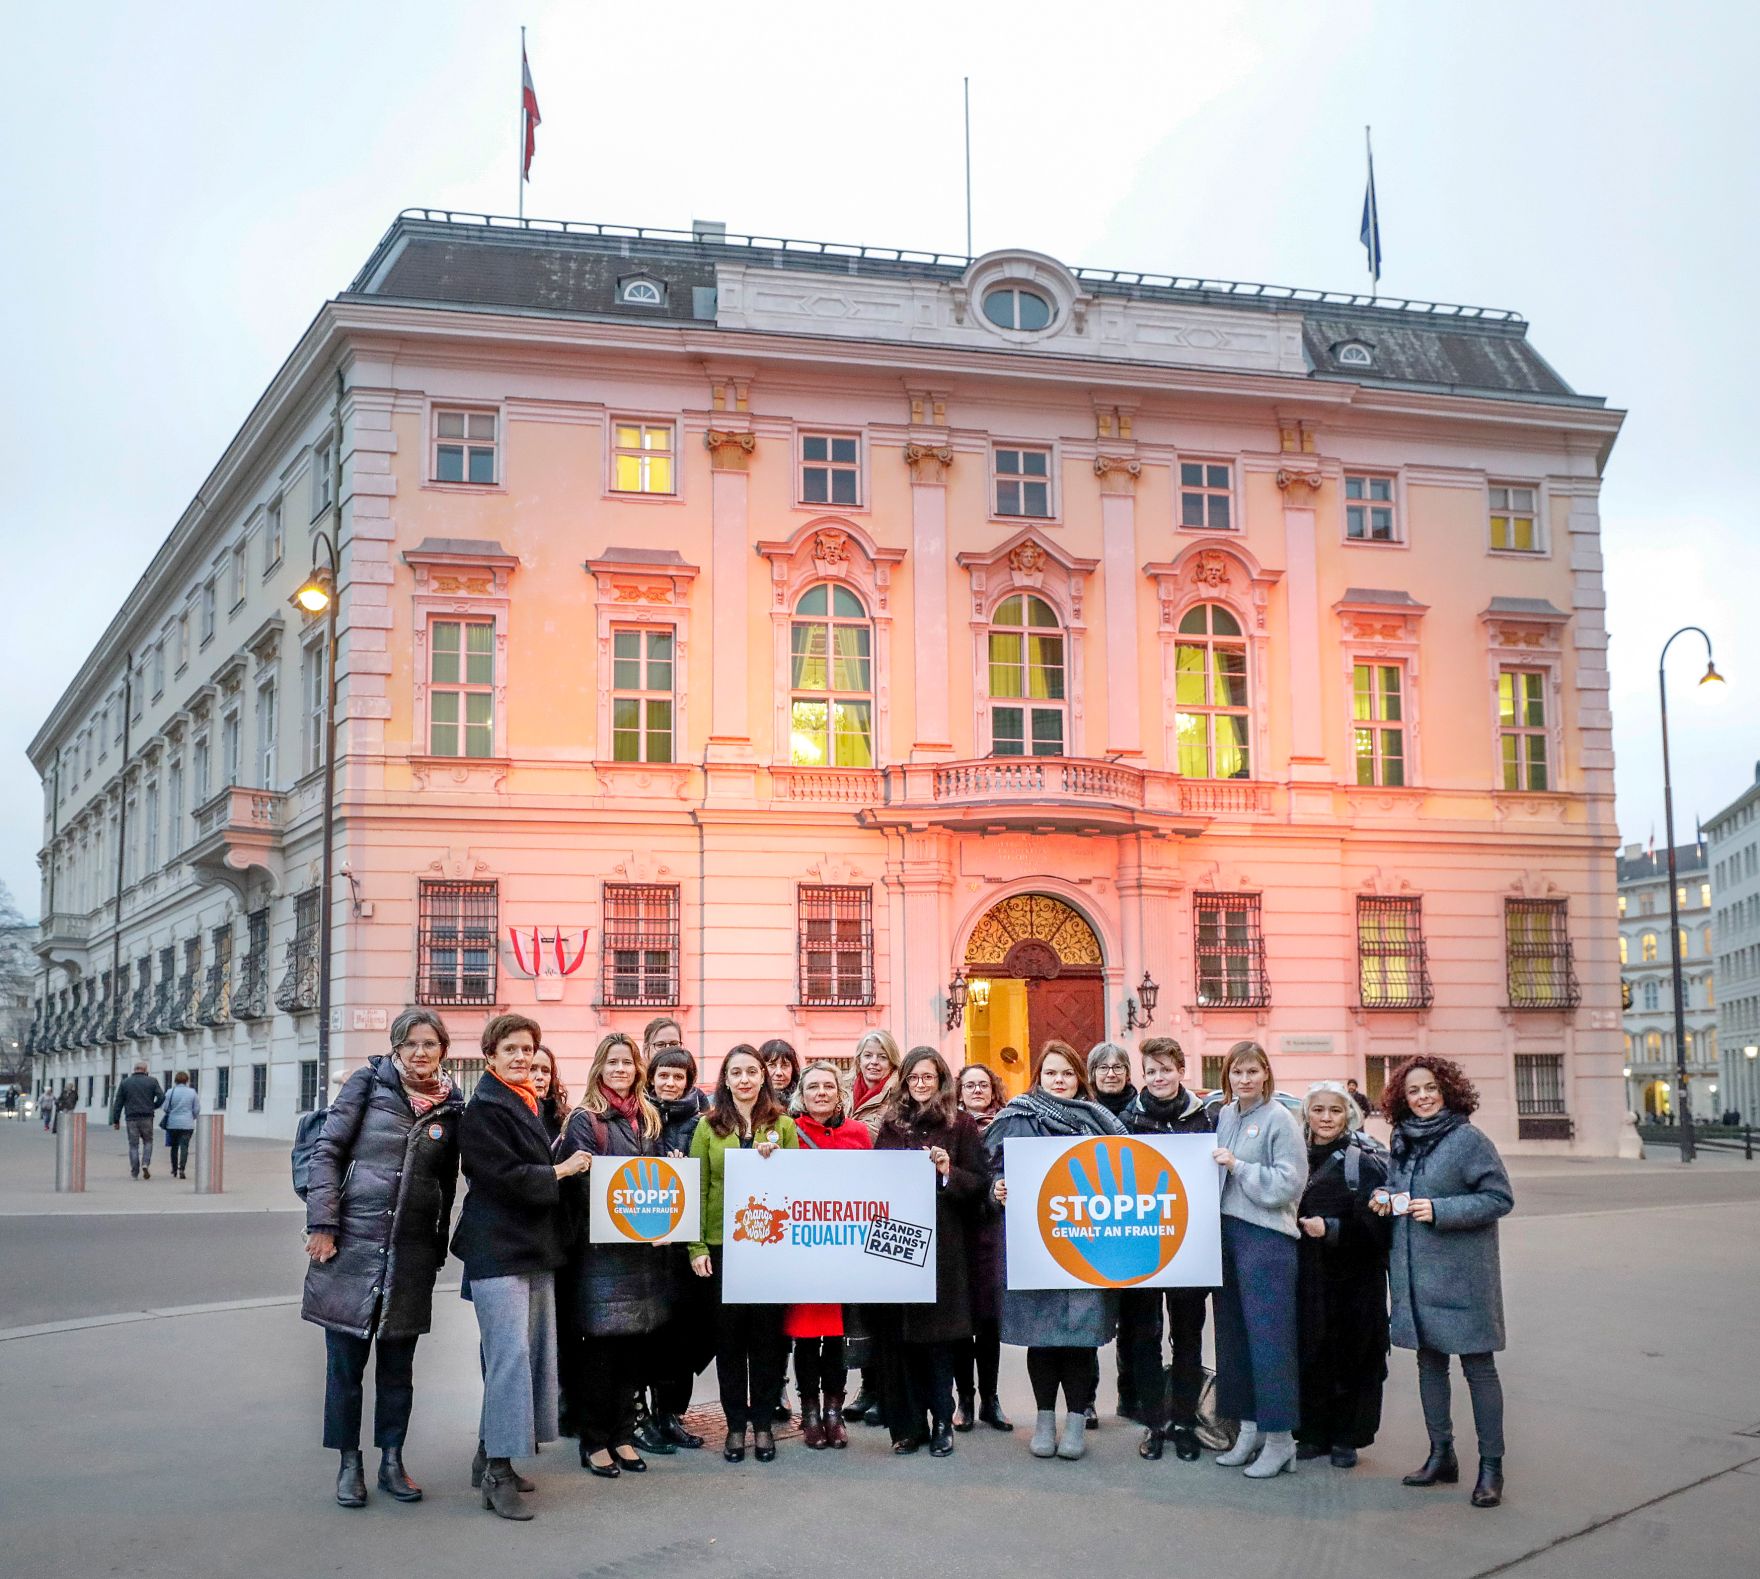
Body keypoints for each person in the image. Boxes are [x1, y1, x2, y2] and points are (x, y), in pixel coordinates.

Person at [301, 1009, 464, 1508]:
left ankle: (392, 1459)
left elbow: (446, 1181)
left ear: (443, 1050)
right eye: (410, 1043)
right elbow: (327, 1151)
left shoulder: (451, 1104)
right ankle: (349, 1463)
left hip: (411, 1252)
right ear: (396, 1047)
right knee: (345, 1367)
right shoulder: (367, 1084)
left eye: (429, 1044)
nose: (420, 1052)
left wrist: (436, 1246)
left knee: (398, 1368)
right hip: (351, 1243)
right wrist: (323, 1224)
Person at [452, 1013, 592, 1519]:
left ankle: (489, 1455)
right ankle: (497, 1474)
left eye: (527, 1049)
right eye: (509, 1049)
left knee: (520, 1357)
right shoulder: (484, 1108)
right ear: (490, 1055)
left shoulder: (523, 1100)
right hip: (499, 1250)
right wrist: (562, 1170)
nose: (520, 1057)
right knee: (510, 1359)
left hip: (529, 1247)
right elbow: (502, 1177)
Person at [1373, 1056, 1514, 1509]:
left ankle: (1491, 1467)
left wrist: (1440, 1210)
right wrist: (1384, 1196)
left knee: (1478, 1368)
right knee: (1429, 1364)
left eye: (1430, 1088)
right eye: (1413, 1091)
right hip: (1415, 1276)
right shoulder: (1402, 1140)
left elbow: (1499, 1198)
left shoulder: (1468, 1140)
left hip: (1463, 1277)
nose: (1423, 1097)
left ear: (1447, 1090)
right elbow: (1398, 1186)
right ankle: (1441, 1455)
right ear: (1403, 1099)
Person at [985, 1040, 1128, 1461]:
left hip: (1088, 1248)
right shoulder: (1016, 1119)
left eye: (1067, 1073)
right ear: (1039, 1077)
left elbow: (1124, 1174)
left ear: (1079, 1079)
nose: (1059, 1080)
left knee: (1081, 1340)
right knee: (1043, 1339)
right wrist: (996, 1189)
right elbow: (988, 1171)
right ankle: (1045, 1421)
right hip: (1036, 1250)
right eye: (1050, 1073)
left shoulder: (1099, 1122)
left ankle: (1077, 1423)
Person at [557, 1033, 674, 1479]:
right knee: (599, 1354)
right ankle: (594, 1441)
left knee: (633, 1352)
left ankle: (623, 1435)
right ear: (599, 1069)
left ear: (637, 1069)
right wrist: (633, 1220)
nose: (620, 1069)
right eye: (612, 1062)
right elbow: (581, 1186)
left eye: (627, 1062)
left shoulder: (649, 1118)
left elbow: (658, 1178)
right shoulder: (585, 1119)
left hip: (642, 1259)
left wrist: (666, 1215)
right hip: (600, 1257)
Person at [871, 1047, 989, 1457]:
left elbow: (979, 1183)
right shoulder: (892, 1123)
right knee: (901, 1340)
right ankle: (909, 1426)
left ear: (941, 1081)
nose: (920, 1085)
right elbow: (875, 1177)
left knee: (938, 1341)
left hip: (943, 1245)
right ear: (904, 1082)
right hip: (896, 1242)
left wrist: (946, 1172)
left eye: (928, 1077)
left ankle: (942, 1421)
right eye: (913, 1078)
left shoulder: (961, 1124)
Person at [687, 1045, 799, 1463]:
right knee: (729, 1341)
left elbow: (797, 1185)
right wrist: (696, 1246)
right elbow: (697, 1187)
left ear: (763, 1076)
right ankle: (735, 1425)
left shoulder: (783, 1125)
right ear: (726, 1079)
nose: (745, 1079)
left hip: (770, 1249)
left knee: (768, 1341)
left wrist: (775, 1162)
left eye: (752, 1071)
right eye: (736, 1072)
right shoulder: (708, 1126)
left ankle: (764, 1424)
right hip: (721, 1246)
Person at [1210, 1041, 1308, 1480]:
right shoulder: (1225, 1115)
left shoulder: (1280, 1119)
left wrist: (1240, 1167)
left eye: (1252, 1071)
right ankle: (1248, 1430)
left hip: (1266, 1238)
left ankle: (1281, 1439)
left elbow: (1290, 1183)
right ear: (1227, 1076)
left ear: (1266, 1073)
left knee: (1270, 1341)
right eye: (1237, 1072)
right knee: (1233, 1338)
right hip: (1227, 1235)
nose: (1244, 1079)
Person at [1119, 1037, 1216, 1461]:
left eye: (1166, 1070)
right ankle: (1155, 1423)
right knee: (1144, 1339)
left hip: (1189, 1244)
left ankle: (1185, 1423)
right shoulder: (1126, 1120)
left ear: (1181, 1070)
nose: (1159, 1078)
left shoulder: (1205, 1118)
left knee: (1188, 1337)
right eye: (1151, 1071)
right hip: (1140, 1244)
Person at [1294, 1082, 1390, 1469]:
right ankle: (1312, 1433)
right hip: (1309, 1277)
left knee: (1354, 1356)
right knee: (1312, 1352)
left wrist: (1331, 1229)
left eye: (1335, 1110)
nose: (1326, 1118)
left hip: (1356, 1282)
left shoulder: (1362, 1162)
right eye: (1318, 1110)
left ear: (1348, 1115)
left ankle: (1347, 1438)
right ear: (1307, 1114)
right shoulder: (1296, 1157)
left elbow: (1379, 1228)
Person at [787, 1059, 871, 1448]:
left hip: (845, 1249)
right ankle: (809, 1413)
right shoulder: (787, 1132)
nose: (821, 1093)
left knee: (837, 1336)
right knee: (805, 1336)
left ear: (840, 1094)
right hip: (802, 1250)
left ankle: (834, 1412)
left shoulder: (859, 1133)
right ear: (801, 1095)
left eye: (828, 1086)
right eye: (813, 1087)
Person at [642, 1045, 713, 1451]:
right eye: (663, 1076)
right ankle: (644, 1415)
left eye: (678, 1077)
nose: (670, 1083)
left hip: (686, 1246)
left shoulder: (702, 1122)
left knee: (685, 1334)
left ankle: (671, 1413)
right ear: (651, 1079)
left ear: (688, 1082)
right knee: (648, 1334)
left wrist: (686, 1165)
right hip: (646, 1244)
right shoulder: (640, 1116)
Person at [843, 1029, 902, 1425]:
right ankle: (867, 1386)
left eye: (882, 1056)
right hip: (849, 1207)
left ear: (892, 1061)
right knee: (859, 1306)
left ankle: (887, 1390)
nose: (874, 1062)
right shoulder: (844, 1092)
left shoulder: (899, 1097)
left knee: (885, 1305)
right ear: (858, 1059)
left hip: (885, 1205)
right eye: (868, 1055)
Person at [954, 1063, 1010, 1433]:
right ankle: (965, 1400)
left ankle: (991, 1399)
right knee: (962, 1321)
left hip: (994, 1234)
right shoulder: (953, 1126)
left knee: (989, 1321)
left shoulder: (1007, 1124)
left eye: (983, 1085)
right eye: (970, 1085)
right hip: (960, 1232)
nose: (977, 1090)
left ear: (993, 1090)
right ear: (958, 1092)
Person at [108, 1061, 164, 1180]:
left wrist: (116, 1120)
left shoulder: (125, 1082)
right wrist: (153, 1106)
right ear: (145, 1070)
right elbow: (162, 1097)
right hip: (147, 1116)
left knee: (133, 1145)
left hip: (131, 1117)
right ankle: (145, 1163)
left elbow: (118, 1102)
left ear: (134, 1069)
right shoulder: (152, 1081)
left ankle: (134, 1172)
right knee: (148, 1141)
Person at [161, 1071, 200, 1179]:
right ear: (187, 1080)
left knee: (174, 1147)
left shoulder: (170, 1092)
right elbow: (197, 1108)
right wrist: (192, 1116)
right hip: (187, 1124)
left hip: (173, 1123)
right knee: (184, 1147)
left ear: (175, 1080)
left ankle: (174, 1169)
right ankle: (182, 1169)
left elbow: (165, 1107)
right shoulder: (192, 1092)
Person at [1087, 1041, 1137, 1120]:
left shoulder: (1141, 1108)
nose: (1111, 1074)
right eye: (1103, 1067)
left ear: (1127, 1073)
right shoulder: (1082, 1110)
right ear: (1093, 1073)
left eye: (1117, 1067)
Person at [531, 1045, 568, 1144]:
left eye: (545, 1071)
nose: (540, 1077)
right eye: (532, 1069)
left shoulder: (564, 1118)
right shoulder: (511, 1113)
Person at [760, 1037, 801, 1111]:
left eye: (785, 1066)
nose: (779, 1073)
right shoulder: (752, 1100)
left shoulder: (803, 1101)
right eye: (772, 1065)